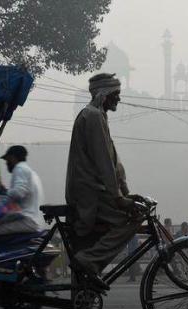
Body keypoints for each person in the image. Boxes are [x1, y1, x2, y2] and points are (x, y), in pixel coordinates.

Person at [65, 73, 144, 290]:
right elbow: (103, 162)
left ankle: (89, 264)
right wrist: (119, 198)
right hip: (90, 193)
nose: (119, 99)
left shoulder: (98, 115)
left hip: (97, 191)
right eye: (116, 94)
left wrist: (125, 192)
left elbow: (113, 163)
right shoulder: (92, 116)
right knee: (133, 217)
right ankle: (89, 260)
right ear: (104, 94)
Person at [0, 145, 45, 237]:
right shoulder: (30, 171)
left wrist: (4, 192)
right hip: (31, 219)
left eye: (7, 160)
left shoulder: (19, 169)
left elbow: (19, 193)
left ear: (12, 157)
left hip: (27, 219)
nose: (6, 163)